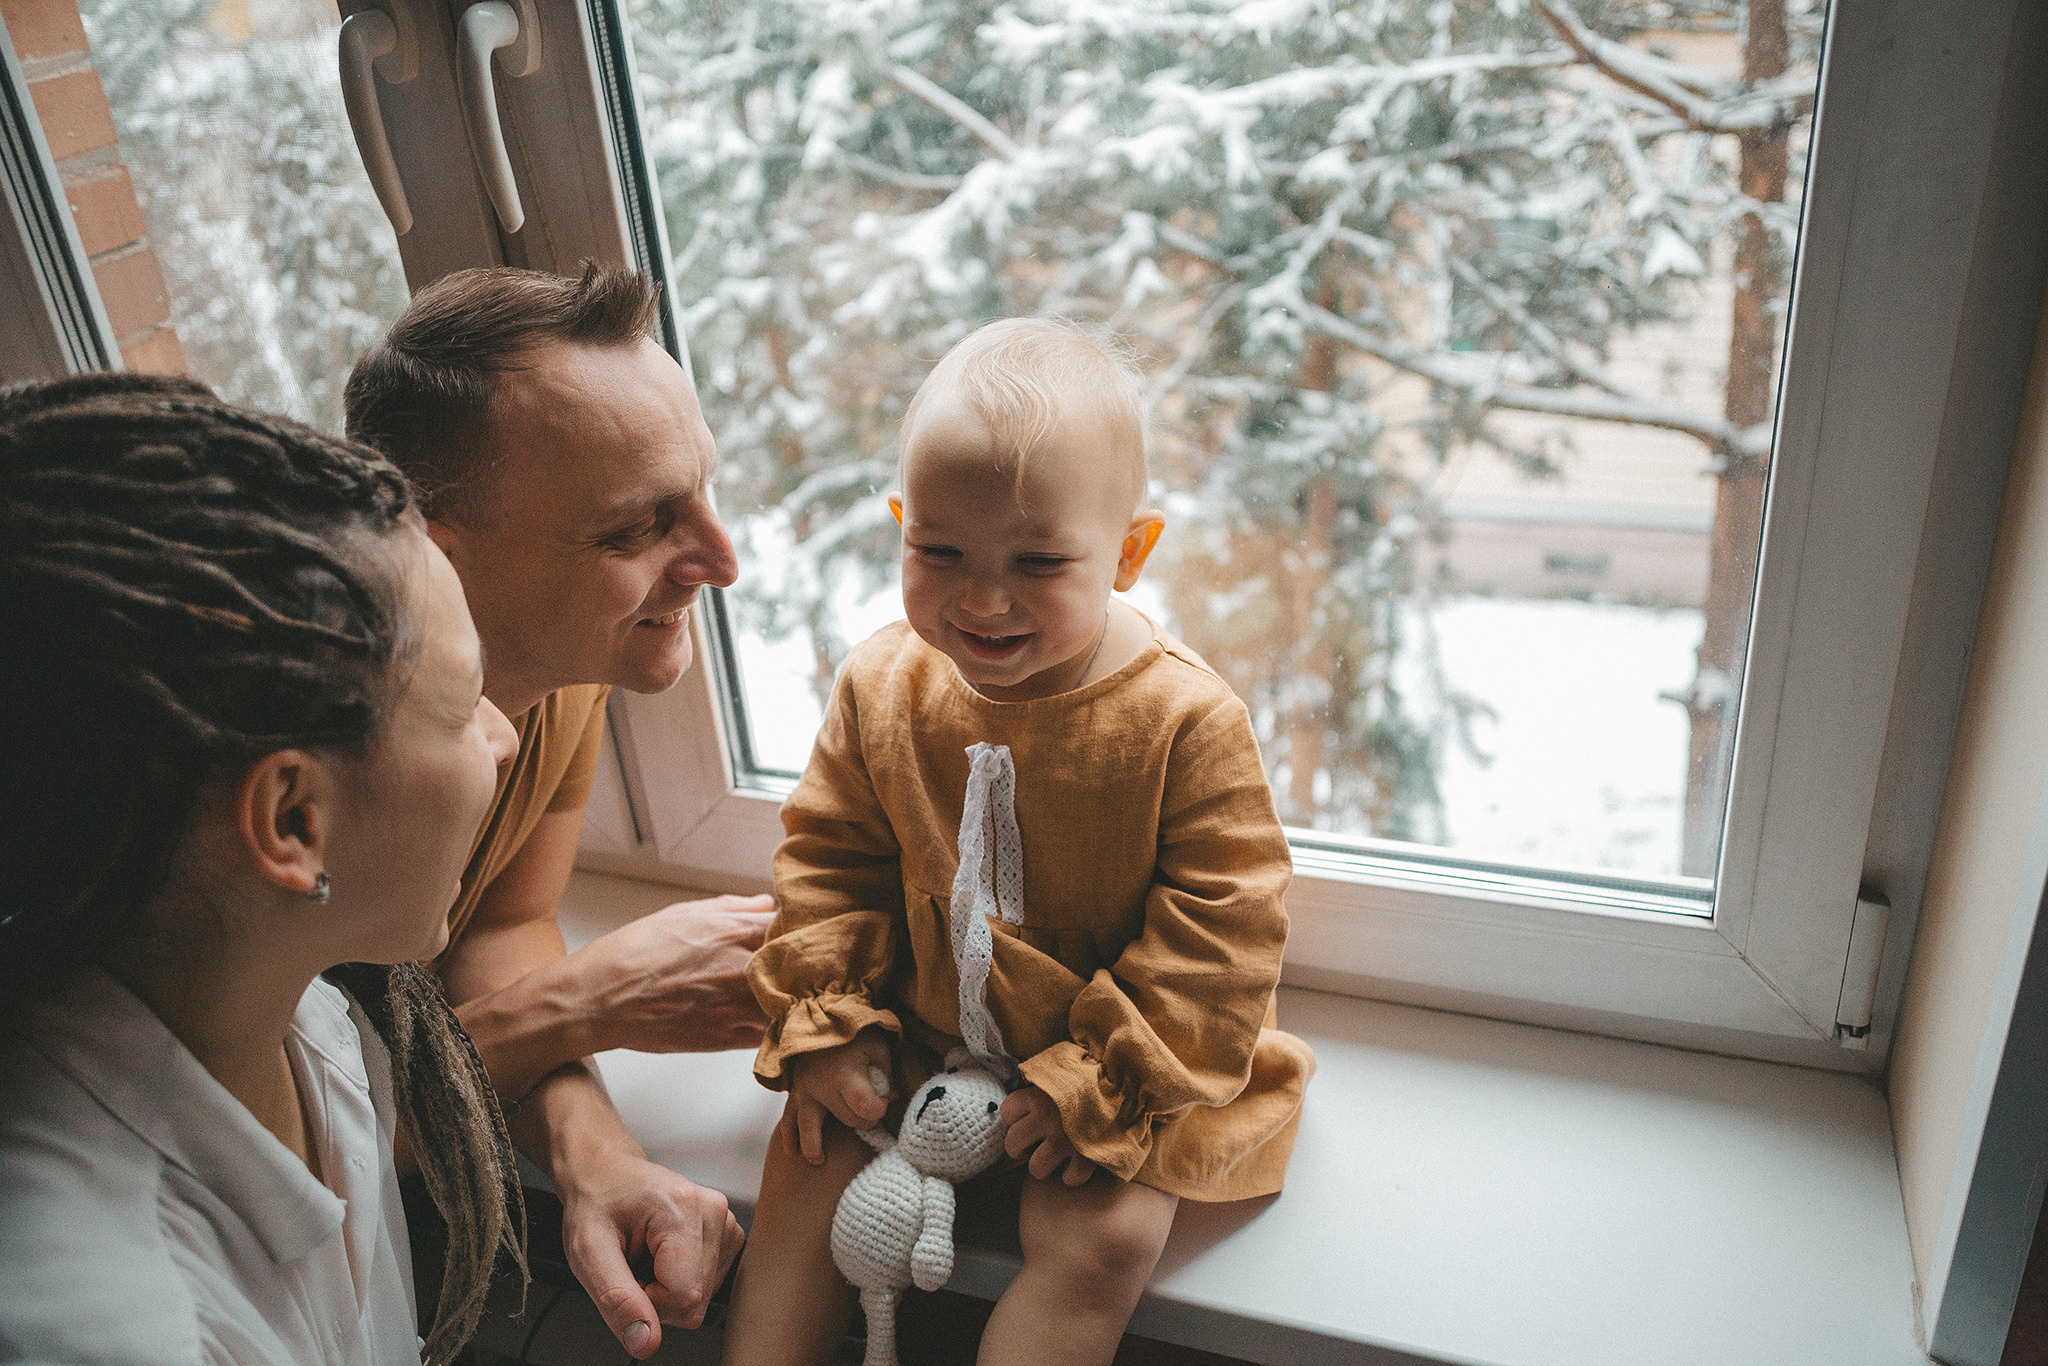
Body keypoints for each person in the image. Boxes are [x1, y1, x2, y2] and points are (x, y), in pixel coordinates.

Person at [724, 319, 1316, 1366]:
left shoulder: (1184, 721)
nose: (981, 598)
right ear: (901, 524)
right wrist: (830, 1023)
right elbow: (828, 859)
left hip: (1120, 1058)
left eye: (1037, 562)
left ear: (1128, 552)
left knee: (1099, 1242)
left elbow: (1221, 935)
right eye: (937, 552)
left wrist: (1093, 1080)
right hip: (914, 1024)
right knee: (802, 1160)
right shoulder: (879, 684)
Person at [0, 374, 524, 1364]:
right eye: (462, 706)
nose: (497, 739)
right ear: (292, 819)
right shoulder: (104, 1324)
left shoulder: (313, 1021)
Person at [343, 265, 774, 1359]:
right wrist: (592, 997)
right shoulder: (316, 777)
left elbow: (494, 928)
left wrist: (597, 1157)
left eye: (705, 489)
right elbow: (295, 1140)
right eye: (637, 529)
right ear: (440, 555)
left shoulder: (559, 665)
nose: (720, 560)